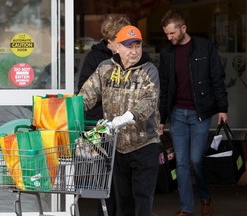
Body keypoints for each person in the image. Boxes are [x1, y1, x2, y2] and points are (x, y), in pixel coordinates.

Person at [79, 25, 160, 216]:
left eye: (137, 46)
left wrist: (127, 117)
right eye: (128, 46)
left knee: (142, 198)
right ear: (118, 48)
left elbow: (149, 100)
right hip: (116, 146)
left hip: (144, 143)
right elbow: (86, 95)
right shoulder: (105, 68)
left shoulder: (149, 70)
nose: (134, 51)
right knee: (123, 202)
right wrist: (68, 113)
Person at [158, 9, 228, 216]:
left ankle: (205, 197)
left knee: (196, 160)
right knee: (181, 162)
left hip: (200, 114)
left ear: (183, 28)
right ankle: (187, 208)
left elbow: (217, 79)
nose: (169, 37)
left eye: (172, 33)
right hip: (177, 114)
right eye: (166, 34)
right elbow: (165, 88)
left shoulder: (204, 48)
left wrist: (223, 108)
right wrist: (162, 118)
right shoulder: (166, 53)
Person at [78, 15, 130, 216]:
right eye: (115, 42)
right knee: (109, 180)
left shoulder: (133, 57)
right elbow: (85, 93)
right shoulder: (96, 59)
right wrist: (106, 118)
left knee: (124, 180)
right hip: (106, 127)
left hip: (128, 128)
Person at [78, 15, 131, 120]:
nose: (125, 43)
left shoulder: (130, 56)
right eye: (121, 40)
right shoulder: (94, 57)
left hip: (125, 120)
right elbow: (83, 89)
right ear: (110, 39)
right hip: (99, 118)